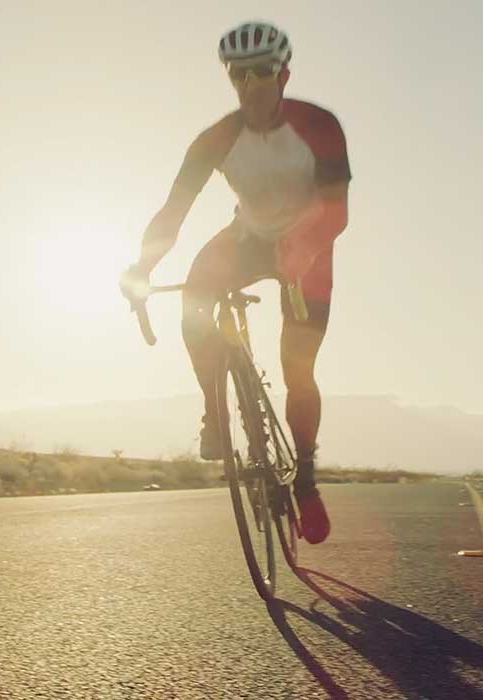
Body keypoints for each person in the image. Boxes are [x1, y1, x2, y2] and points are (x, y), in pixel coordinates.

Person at [119, 21, 349, 544]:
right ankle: (215, 413)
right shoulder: (216, 139)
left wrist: (305, 247)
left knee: (299, 369)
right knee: (197, 290)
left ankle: (307, 479)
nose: (250, 85)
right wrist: (141, 268)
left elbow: (336, 211)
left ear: (284, 74)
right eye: (237, 74)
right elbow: (172, 214)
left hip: (310, 244)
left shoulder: (319, 126)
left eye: (262, 72)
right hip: (248, 237)